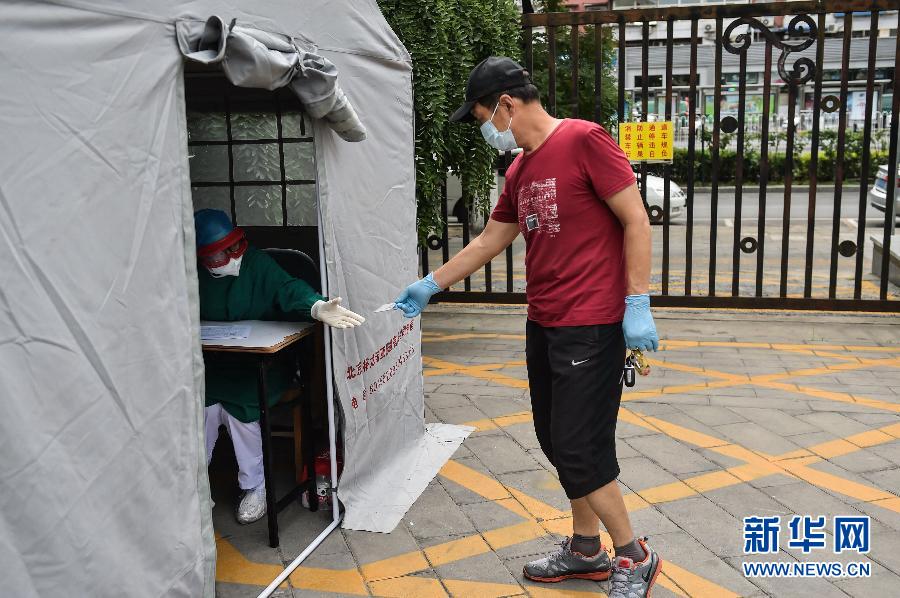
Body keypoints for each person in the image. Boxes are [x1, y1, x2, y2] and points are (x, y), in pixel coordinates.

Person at [394, 57, 662, 597]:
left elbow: (635, 218)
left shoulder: (585, 140)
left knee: (580, 448)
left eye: (482, 120)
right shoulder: (520, 169)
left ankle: (634, 556)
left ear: (506, 105)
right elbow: (490, 239)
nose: (486, 131)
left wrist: (637, 301)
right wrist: (431, 283)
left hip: (592, 324)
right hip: (544, 323)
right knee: (556, 439)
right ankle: (585, 550)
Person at [195, 209, 364, 524]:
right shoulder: (192, 274)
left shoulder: (258, 264)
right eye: (220, 254)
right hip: (214, 364)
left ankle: (254, 486)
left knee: (238, 409)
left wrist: (315, 306)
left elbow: (289, 289)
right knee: (201, 407)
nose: (231, 257)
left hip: (264, 365)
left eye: (234, 247)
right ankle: (194, 487)